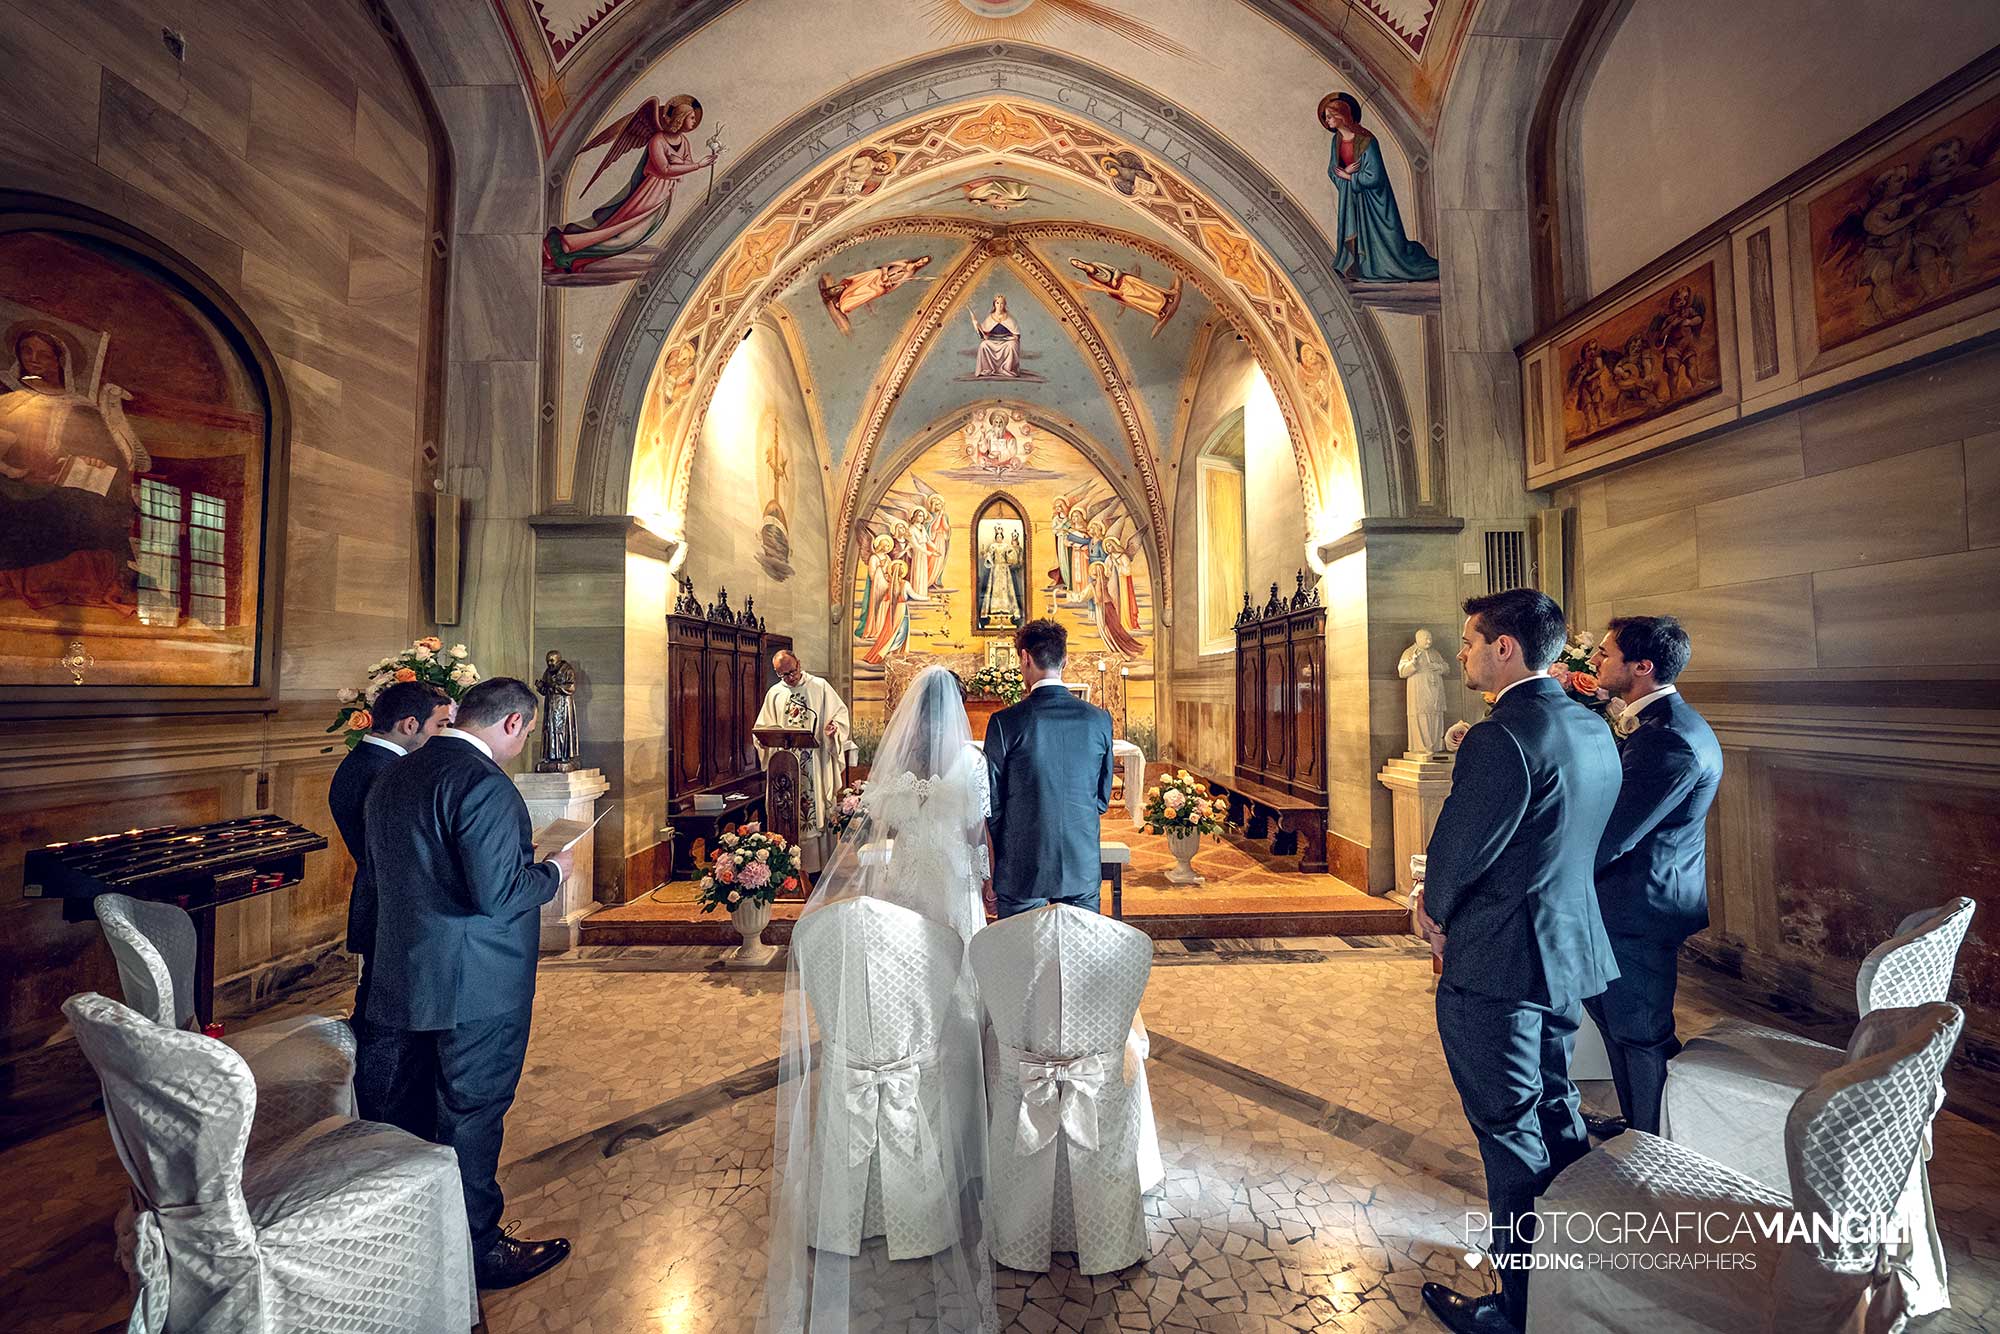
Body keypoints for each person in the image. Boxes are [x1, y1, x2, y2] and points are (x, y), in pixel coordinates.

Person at [763, 663, 996, 1333]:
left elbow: (873, 830)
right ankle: (957, 1135)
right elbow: (978, 832)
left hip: (904, 887)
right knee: (954, 1002)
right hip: (950, 885)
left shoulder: (894, 771)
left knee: (903, 997)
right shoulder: (971, 764)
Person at [1415, 590, 1622, 1334]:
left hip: (1501, 962)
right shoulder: (1588, 724)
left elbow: (1461, 846)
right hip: (1564, 952)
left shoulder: (1502, 736)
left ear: (1506, 648)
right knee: (1558, 1110)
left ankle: (1523, 1310)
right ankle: (1572, 1288)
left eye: (1470, 640)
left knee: (1510, 1132)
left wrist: (1430, 910)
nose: (1463, 652)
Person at [359, 677, 575, 1291]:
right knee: (471, 1112)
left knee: (410, 1112)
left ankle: (415, 1236)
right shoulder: (484, 785)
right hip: (476, 982)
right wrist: (551, 872)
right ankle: (478, 1251)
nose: (525, 740)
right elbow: (499, 894)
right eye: (528, 731)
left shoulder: (394, 773)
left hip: (404, 972)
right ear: (512, 724)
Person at [1581, 615, 1721, 1138]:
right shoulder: (1658, 724)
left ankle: (1654, 1148)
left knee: (1640, 1032)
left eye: (1606, 653)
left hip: (1639, 904)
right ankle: (1638, 1124)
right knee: (1615, 1022)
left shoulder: (1671, 741)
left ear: (1641, 667)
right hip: (1628, 900)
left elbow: (1614, 833)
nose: (1594, 659)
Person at [328, 680, 450, 1116]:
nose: (445, 734)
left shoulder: (362, 761)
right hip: (392, 911)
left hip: (383, 906)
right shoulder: (386, 773)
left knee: (383, 1015)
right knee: (389, 1026)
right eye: (441, 724)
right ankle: (379, 1120)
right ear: (410, 724)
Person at [984, 618, 1114, 916]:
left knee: (1021, 959)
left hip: (1022, 866)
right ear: (1065, 660)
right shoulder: (1098, 719)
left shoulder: (1006, 722)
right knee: (1078, 958)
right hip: (1080, 863)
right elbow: (1102, 798)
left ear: (1025, 658)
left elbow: (991, 802)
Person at [753, 651, 851, 869]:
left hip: (813, 762)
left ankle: (818, 868)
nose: (790, 678)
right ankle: (786, 867)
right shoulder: (775, 694)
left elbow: (840, 715)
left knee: (814, 813)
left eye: (792, 671)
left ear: (799, 662)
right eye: (783, 675)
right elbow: (761, 727)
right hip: (784, 767)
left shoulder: (820, 687)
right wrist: (762, 739)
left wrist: (835, 727)